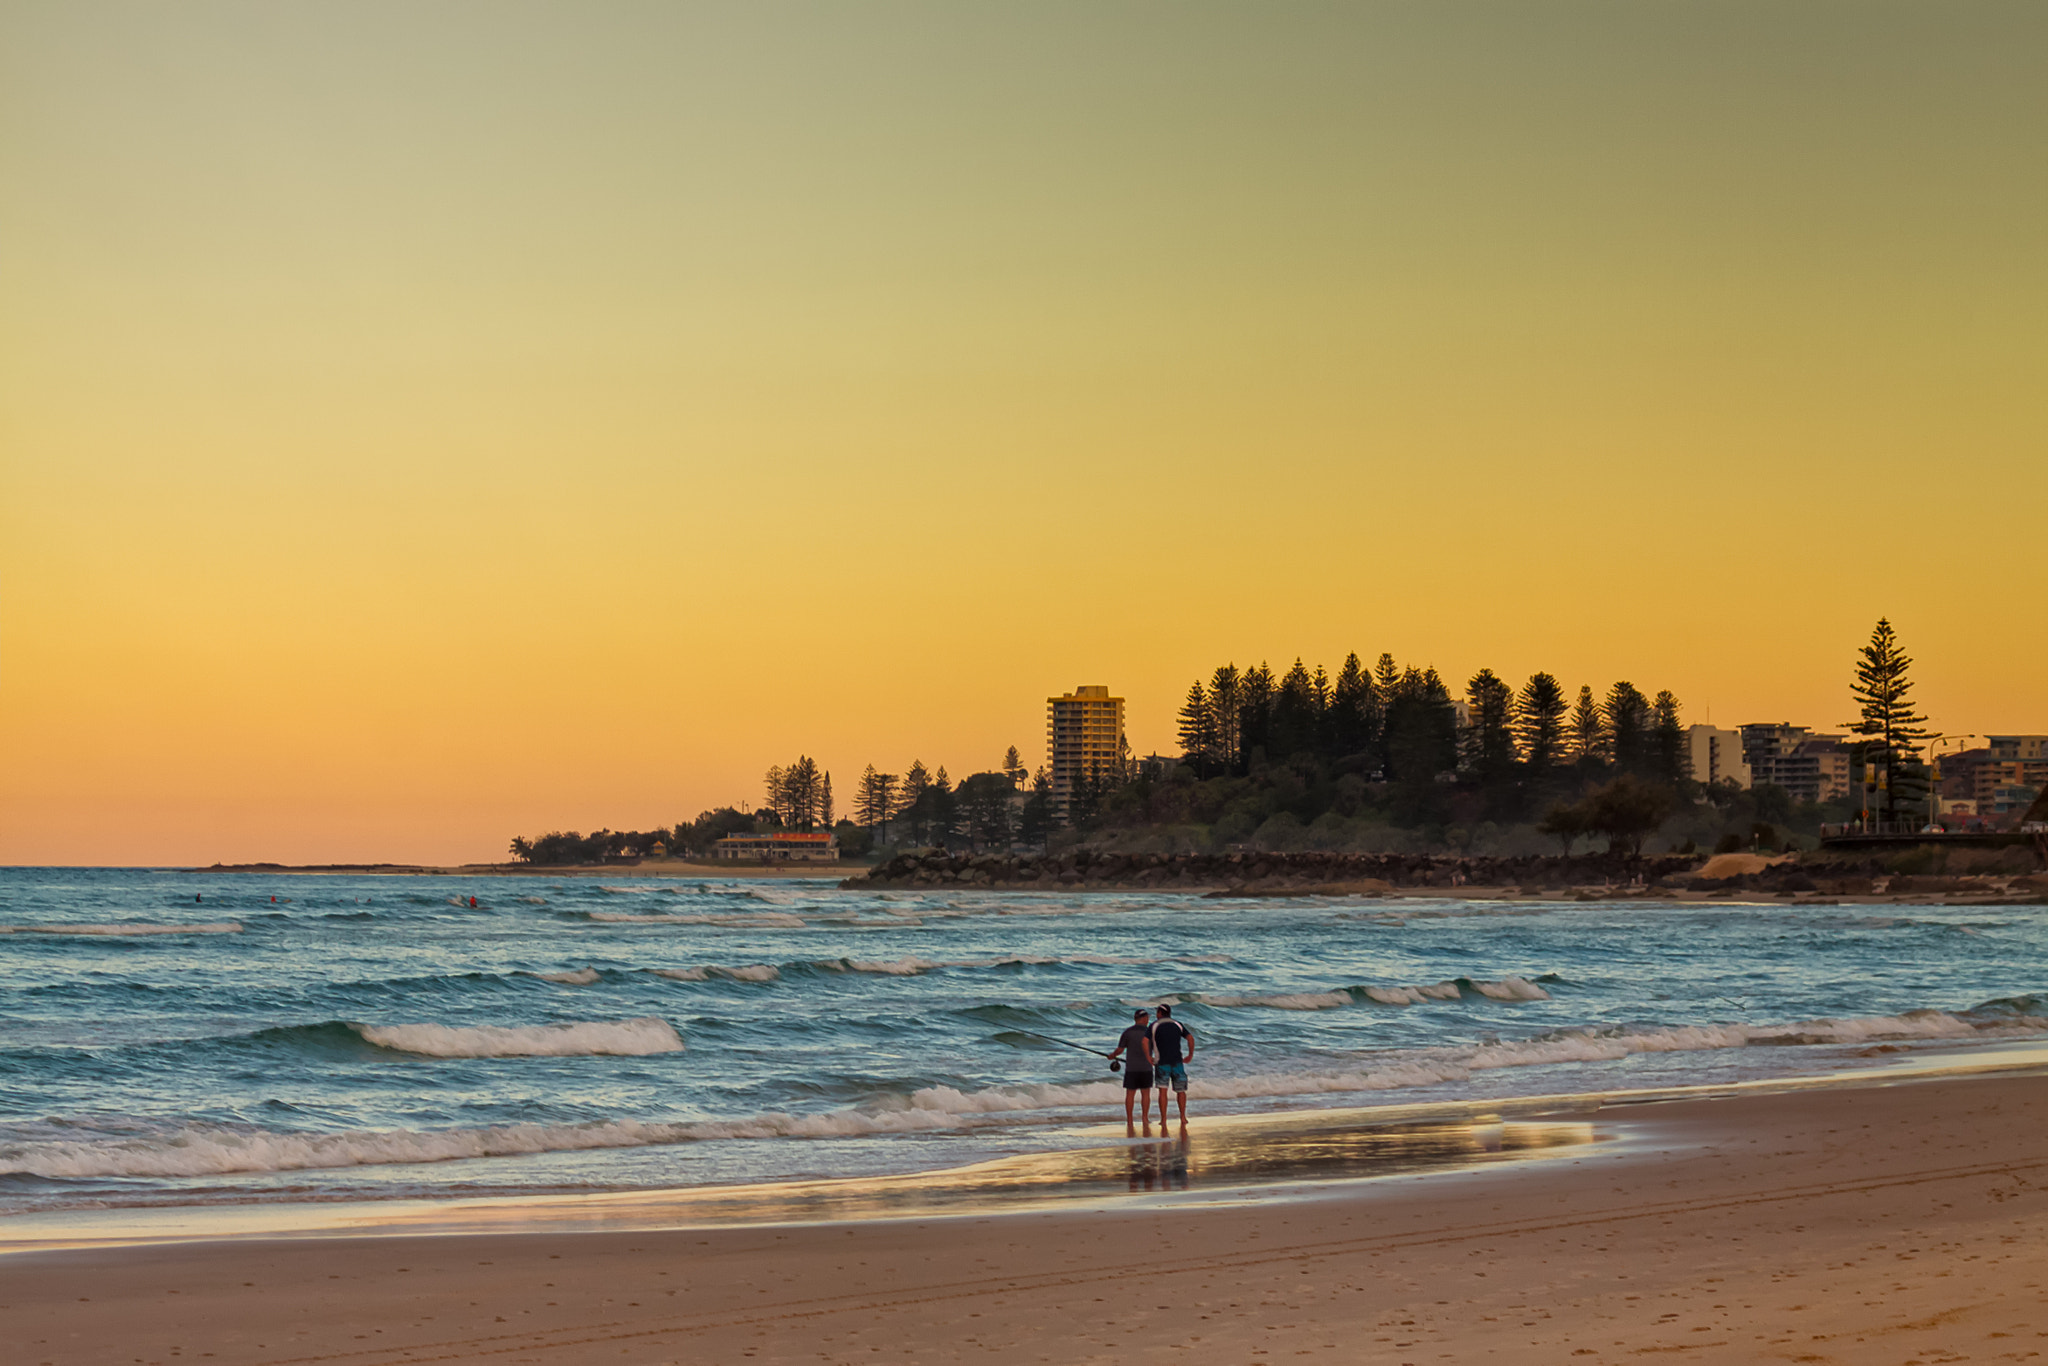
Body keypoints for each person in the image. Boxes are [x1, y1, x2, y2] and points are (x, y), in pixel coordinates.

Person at [1108, 1008, 1156, 1135]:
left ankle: (1129, 1120)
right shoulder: (1150, 1033)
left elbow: (1119, 1050)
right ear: (1144, 1018)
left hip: (1131, 1068)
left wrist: (1112, 1055)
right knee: (1145, 1094)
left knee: (1130, 1095)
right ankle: (1145, 1119)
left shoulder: (1127, 1032)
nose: (1148, 1020)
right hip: (1146, 1068)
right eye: (1147, 1018)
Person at [1149, 1003, 1195, 1127]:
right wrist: (1190, 1055)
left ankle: (1163, 1119)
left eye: (1157, 1012)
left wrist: (1148, 1057)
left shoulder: (1154, 1025)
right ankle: (1183, 1117)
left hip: (1162, 1063)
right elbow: (1190, 1038)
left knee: (1163, 1092)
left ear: (1160, 1013)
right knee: (1181, 1091)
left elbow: (1144, 1041)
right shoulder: (1177, 1024)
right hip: (1177, 1062)